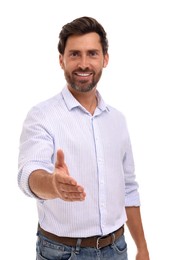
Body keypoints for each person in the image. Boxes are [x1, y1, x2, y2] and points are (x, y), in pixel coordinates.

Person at [18, 16, 149, 260]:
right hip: (62, 253)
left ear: (105, 59)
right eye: (75, 54)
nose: (84, 63)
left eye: (92, 54)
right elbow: (29, 173)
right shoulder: (42, 116)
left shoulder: (117, 120)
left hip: (117, 249)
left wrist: (142, 247)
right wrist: (53, 185)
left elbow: (129, 188)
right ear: (62, 60)